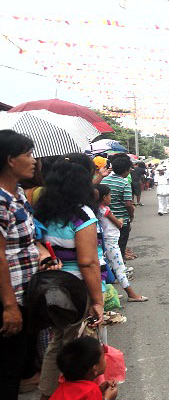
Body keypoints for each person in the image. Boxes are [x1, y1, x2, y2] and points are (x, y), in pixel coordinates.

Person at [34, 154, 105, 398]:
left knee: (58, 342)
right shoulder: (82, 215)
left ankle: (48, 393)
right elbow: (87, 262)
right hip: (74, 289)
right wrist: (97, 300)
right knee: (79, 346)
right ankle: (81, 394)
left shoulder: (42, 213)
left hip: (49, 288)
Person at [0, 131, 51, 400]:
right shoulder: (0, 200)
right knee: (8, 369)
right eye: (28, 155)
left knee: (19, 362)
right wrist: (9, 306)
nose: (34, 161)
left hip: (26, 291)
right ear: (10, 160)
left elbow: (28, 239)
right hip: (10, 297)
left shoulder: (17, 193)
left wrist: (43, 255)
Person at [95, 184, 147, 303]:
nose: (111, 198)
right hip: (111, 241)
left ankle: (108, 292)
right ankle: (131, 294)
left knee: (108, 267)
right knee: (119, 268)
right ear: (104, 197)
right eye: (110, 196)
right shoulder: (105, 210)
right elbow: (118, 224)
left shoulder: (97, 209)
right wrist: (122, 220)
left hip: (104, 241)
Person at [49, 336, 118, 400]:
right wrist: (108, 398)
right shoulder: (91, 391)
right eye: (103, 357)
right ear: (95, 368)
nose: (105, 359)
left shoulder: (63, 385)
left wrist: (100, 390)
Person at [99, 157, 134, 267]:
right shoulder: (124, 183)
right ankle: (120, 268)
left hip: (105, 219)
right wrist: (131, 215)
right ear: (126, 171)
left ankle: (111, 268)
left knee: (109, 245)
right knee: (121, 245)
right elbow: (128, 203)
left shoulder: (104, 181)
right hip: (121, 219)